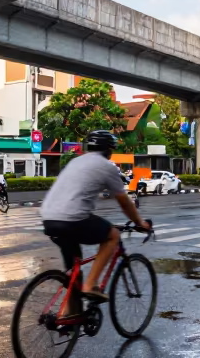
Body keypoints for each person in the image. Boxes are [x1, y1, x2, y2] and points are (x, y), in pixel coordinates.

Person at [40, 130, 149, 317]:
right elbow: (124, 201)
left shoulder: (76, 161)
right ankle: (91, 285)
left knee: (74, 272)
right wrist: (139, 222)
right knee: (113, 234)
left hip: (49, 219)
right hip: (73, 219)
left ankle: (67, 315)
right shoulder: (107, 167)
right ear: (109, 150)